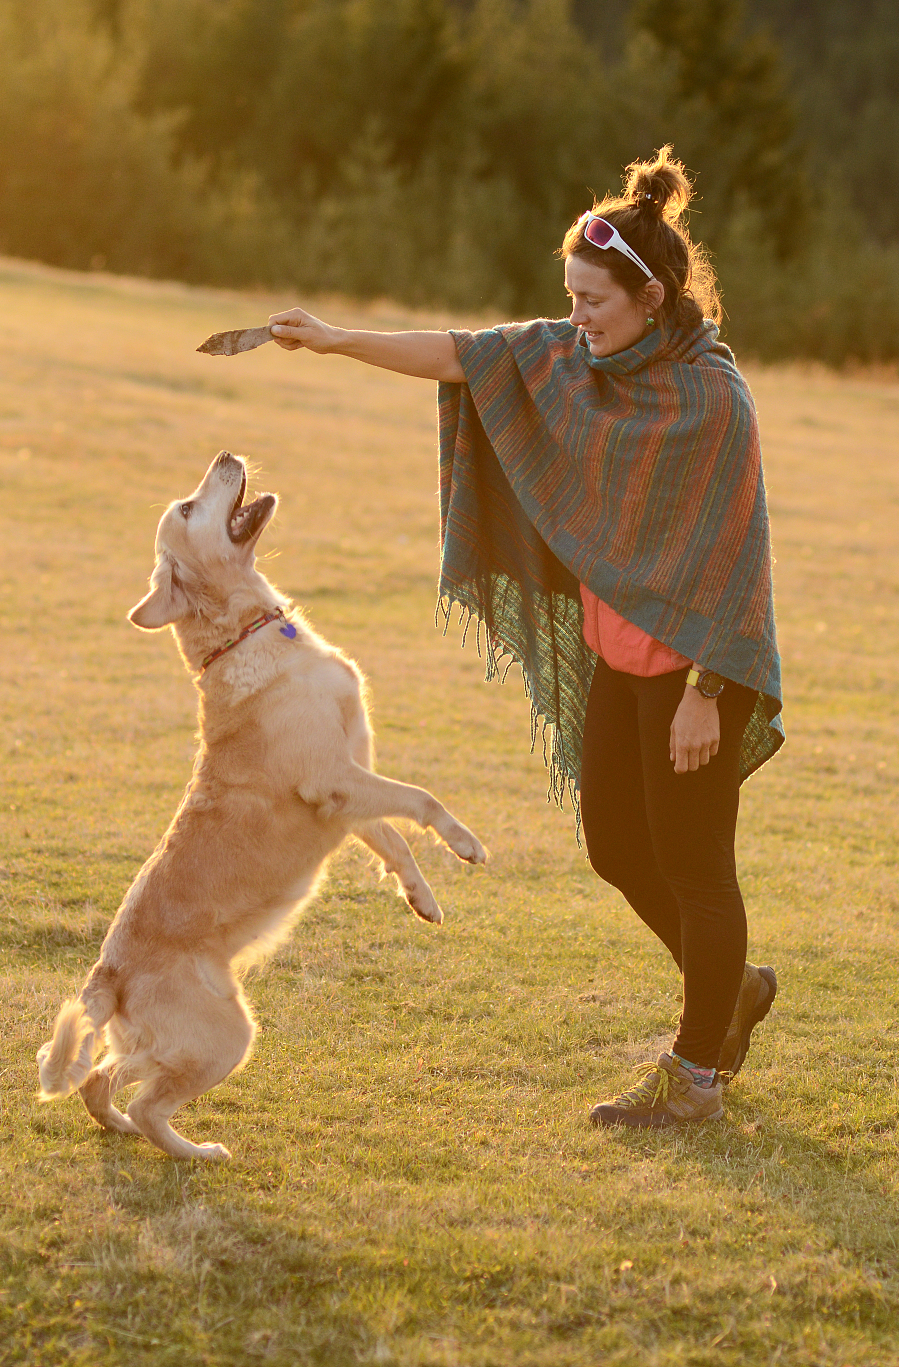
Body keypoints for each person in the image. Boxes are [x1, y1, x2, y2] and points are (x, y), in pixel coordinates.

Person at [263, 146, 784, 1128]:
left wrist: (706, 694)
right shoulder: (568, 358)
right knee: (615, 845)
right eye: (570, 294)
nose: (576, 315)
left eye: (592, 299)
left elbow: (733, 563)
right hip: (616, 659)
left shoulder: (710, 401)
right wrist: (333, 339)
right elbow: (463, 352)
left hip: (697, 679)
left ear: (653, 295)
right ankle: (733, 990)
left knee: (694, 867)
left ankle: (695, 1076)